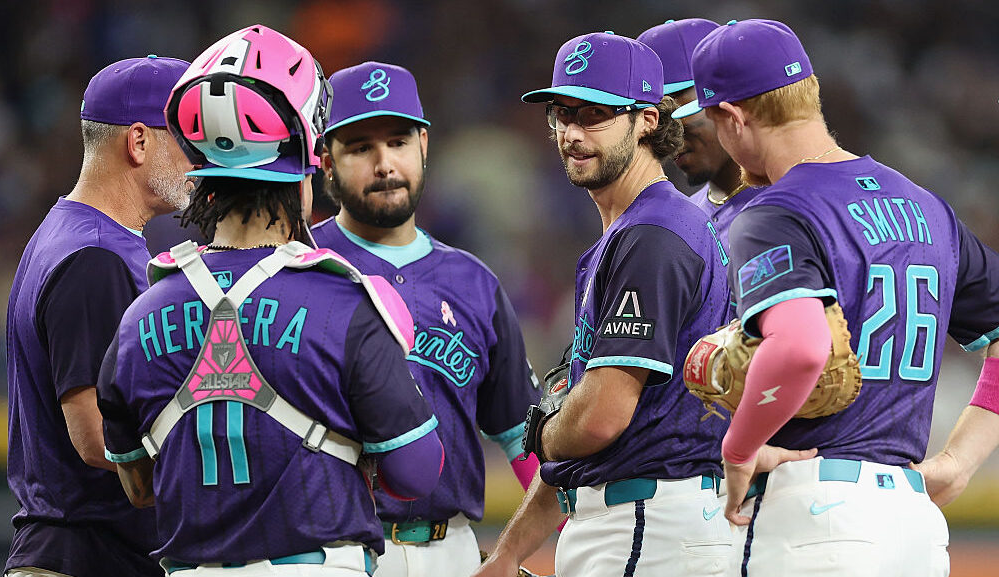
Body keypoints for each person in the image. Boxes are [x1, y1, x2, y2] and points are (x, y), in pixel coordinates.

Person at [96, 26, 444, 576]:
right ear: (304, 168)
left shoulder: (138, 316)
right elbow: (419, 472)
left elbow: (139, 487)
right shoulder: (344, 303)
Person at [674, 18, 999, 576]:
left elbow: (801, 349)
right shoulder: (927, 207)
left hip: (816, 515)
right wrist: (958, 461)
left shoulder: (772, 213)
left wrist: (739, 445)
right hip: (912, 522)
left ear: (732, 117)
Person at [477, 32, 733, 577]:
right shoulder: (638, 231)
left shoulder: (654, 234)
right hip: (641, 517)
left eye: (594, 113)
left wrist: (541, 429)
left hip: (651, 522)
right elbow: (585, 443)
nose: (571, 132)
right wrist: (507, 555)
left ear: (646, 119)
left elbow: (597, 422)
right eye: (561, 113)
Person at [311, 60, 541, 577]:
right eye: (360, 147)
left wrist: (562, 538)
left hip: (454, 549)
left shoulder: (473, 282)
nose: (384, 163)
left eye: (397, 141)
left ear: (424, 145)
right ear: (325, 161)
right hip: (338, 548)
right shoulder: (298, 268)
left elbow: (522, 437)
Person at [4, 54, 193, 577]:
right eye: (186, 136)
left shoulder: (71, 231)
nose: (199, 158)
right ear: (138, 142)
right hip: (84, 555)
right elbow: (95, 439)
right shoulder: (95, 257)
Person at [637, 18, 761, 249]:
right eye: (654, 117)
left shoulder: (793, 198)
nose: (669, 137)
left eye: (676, 109)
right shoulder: (681, 223)